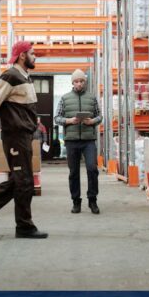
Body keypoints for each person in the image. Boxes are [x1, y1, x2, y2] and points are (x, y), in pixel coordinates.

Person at [0, 41, 48, 239]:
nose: (35, 56)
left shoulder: (25, 77)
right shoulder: (10, 76)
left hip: (24, 135)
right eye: (32, 53)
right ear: (22, 55)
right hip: (15, 136)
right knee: (24, 182)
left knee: (20, 180)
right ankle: (24, 226)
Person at [54, 69, 103, 214]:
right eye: (76, 81)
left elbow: (99, 116)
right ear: (72, 83)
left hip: (88, 140)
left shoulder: (92, 98)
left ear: (85, 82)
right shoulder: (64, 98)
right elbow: (57, 118)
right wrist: (69, 120)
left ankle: (92, 200)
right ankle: (76, 202)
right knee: (73, 172)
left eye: (81, 81)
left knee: (92, 169)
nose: (79, 84)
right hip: (71, 140)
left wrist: (92, 121)